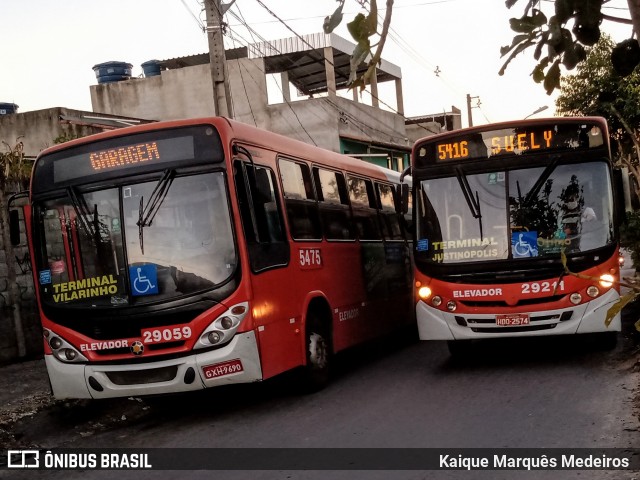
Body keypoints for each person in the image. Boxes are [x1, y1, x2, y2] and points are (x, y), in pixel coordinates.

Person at [560, 186, 596, 252]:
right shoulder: (562, 214)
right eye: (567, 200)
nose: (569, 202)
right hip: (567, 247)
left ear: (577, 198)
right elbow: (559, 229)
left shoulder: (587, 211)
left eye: (571, 199)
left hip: (584, 247)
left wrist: (572, 230)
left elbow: (592, 229)